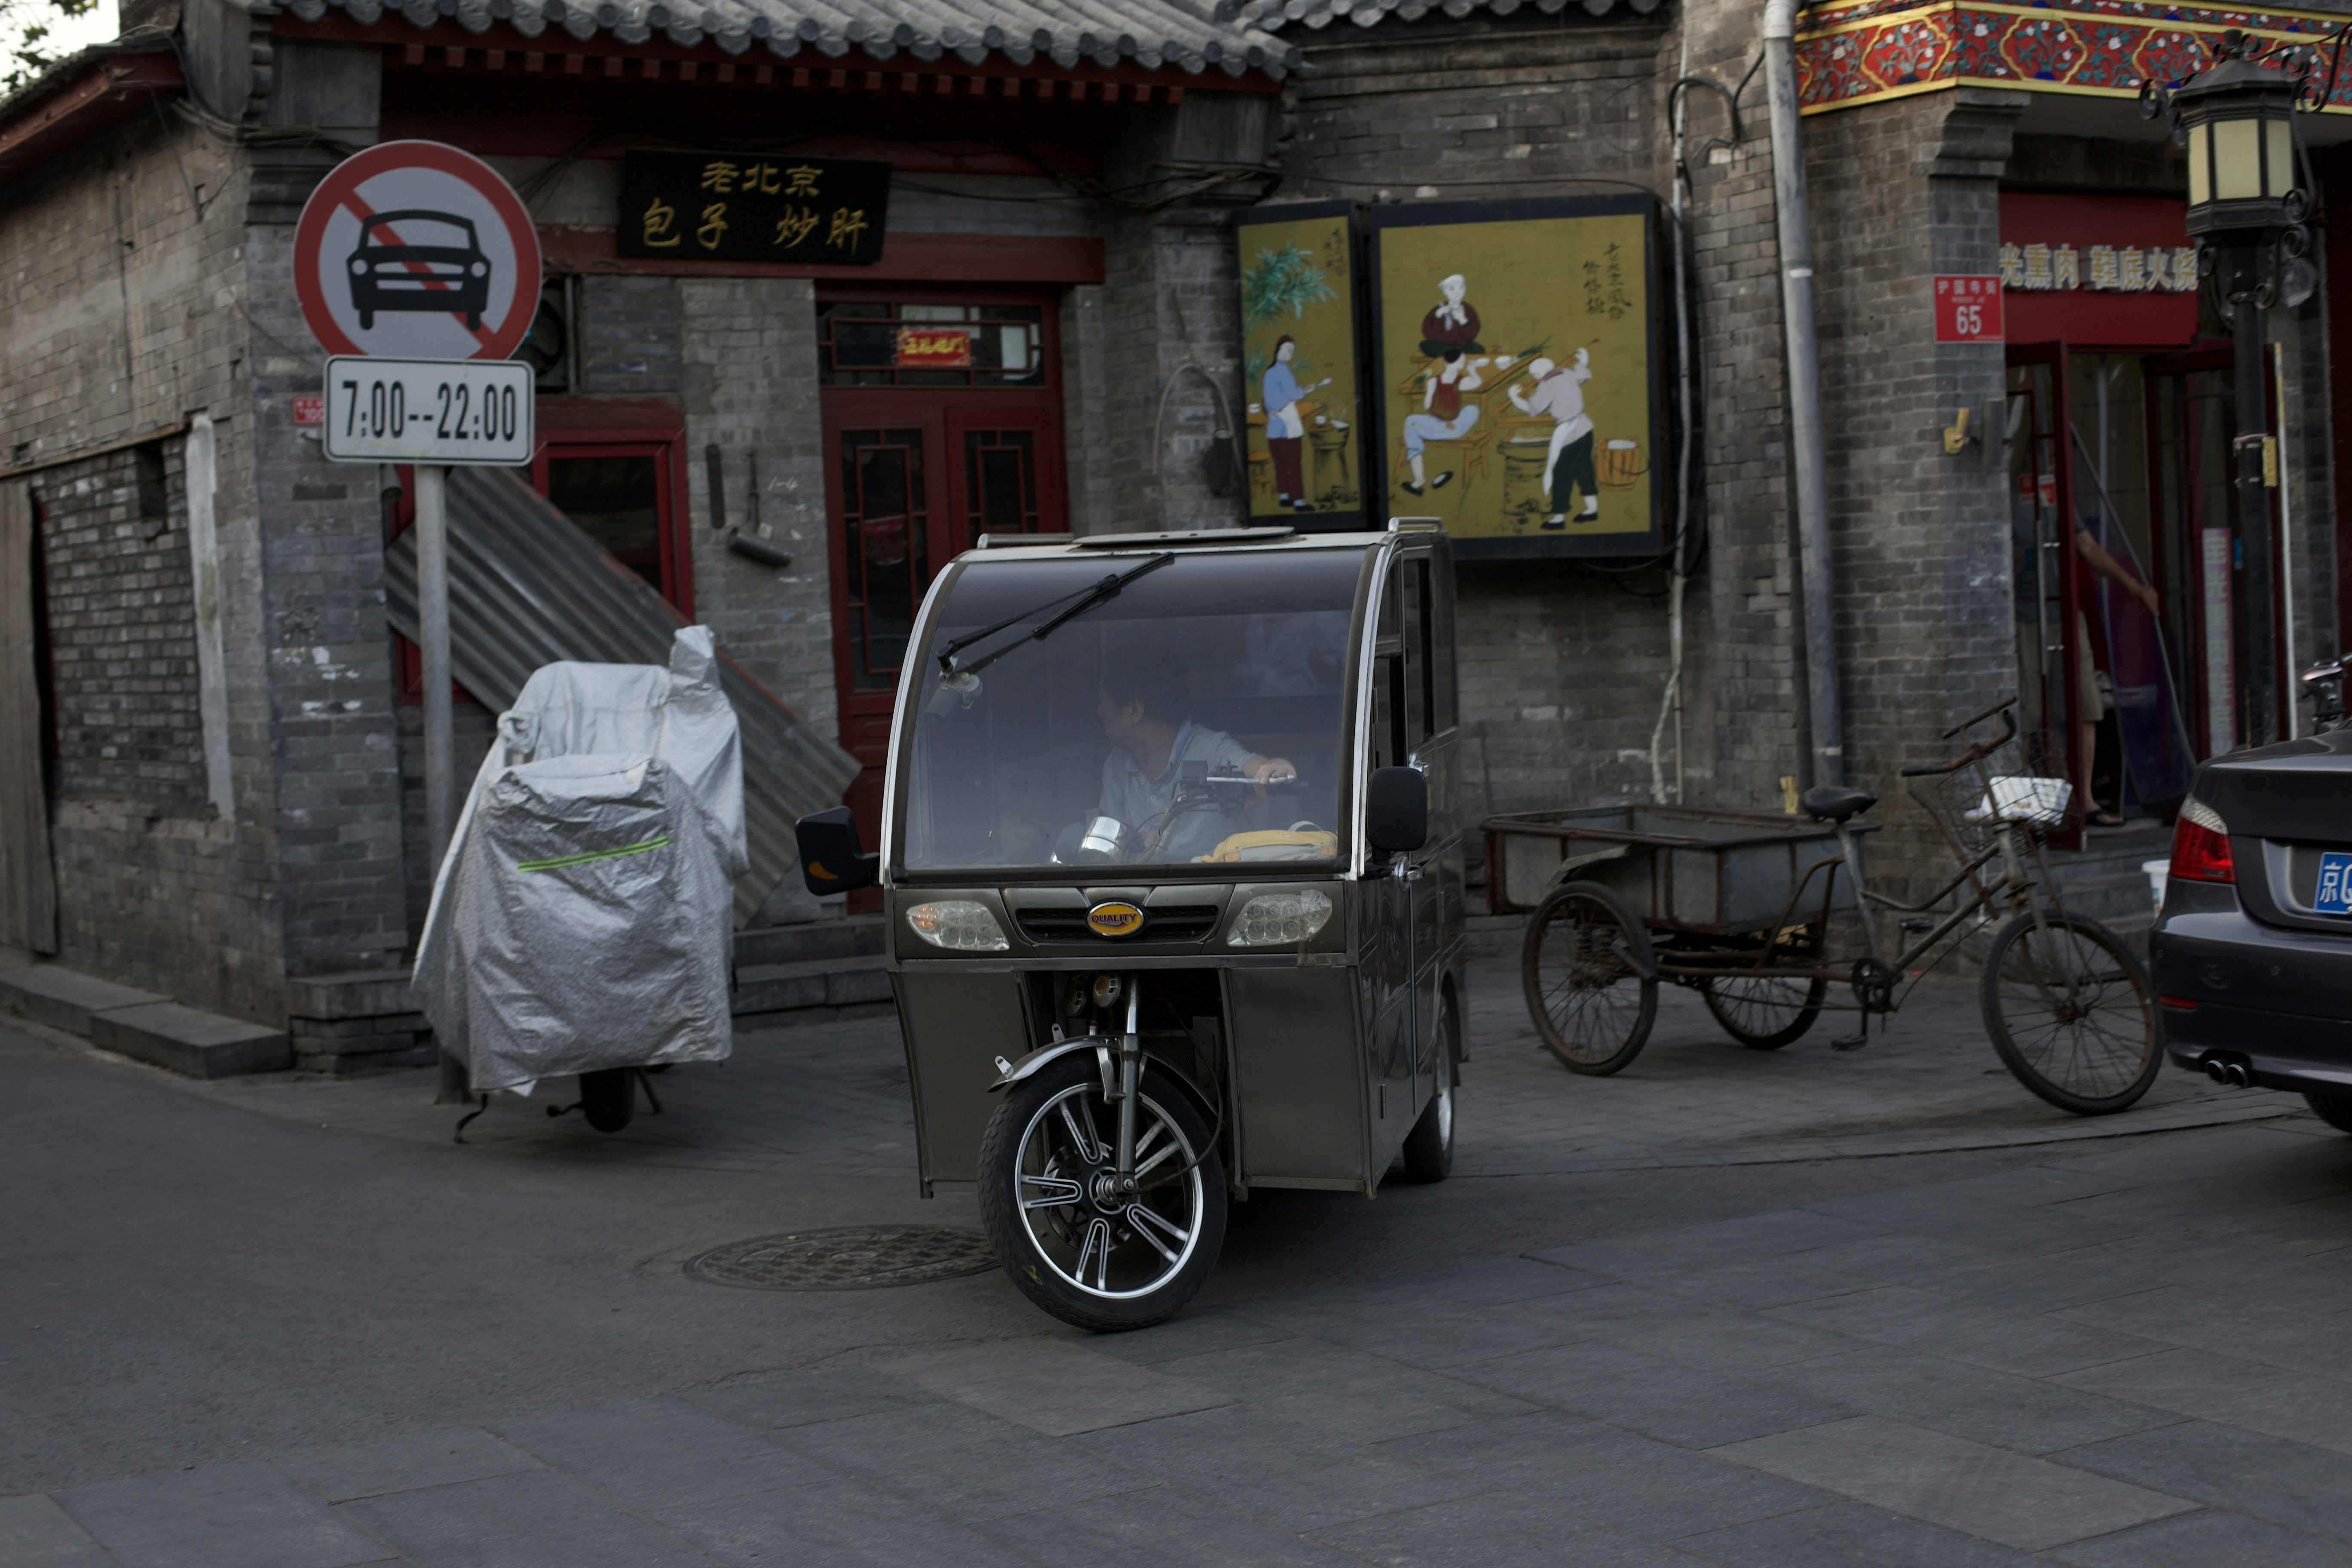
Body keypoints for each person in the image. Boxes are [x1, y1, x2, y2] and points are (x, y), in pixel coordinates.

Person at [1095, 648, 1295, 861]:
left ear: (1135, 710)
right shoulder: (1116, 765)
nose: (1099, 710)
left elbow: (1257, 768)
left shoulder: (1213, 749)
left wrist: (1274, 769)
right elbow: (1105, 856)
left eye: (1102, 700)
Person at [1509, 349, 1599, 527]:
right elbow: (1581, 375)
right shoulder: (1566, 372)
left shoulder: (1546, 384)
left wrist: (1513, 397)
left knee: (1561, 474)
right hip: (1585, 428)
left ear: (1536, 374)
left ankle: (1558, 518)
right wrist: (1583, 361)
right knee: (1584, 469)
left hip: (1571, 434)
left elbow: (1533, 408)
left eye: (1534, 375)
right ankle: (1592, 509)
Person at [1400, 348, 1485, 496]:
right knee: (1473, 409)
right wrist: (1473, 370)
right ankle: (1422, 478)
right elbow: (1477, 382)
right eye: (1463, 360)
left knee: (1410, 422)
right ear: (1460, 363)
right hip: (1455, 428)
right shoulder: (1461, 381)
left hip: (1435, 426)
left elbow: (1427, 405)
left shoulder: (1433, 381)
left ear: (1445, 362)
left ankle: (1419, 480)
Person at [1260, 337, 1330, 512]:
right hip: (1287, 428)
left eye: (1292, 350)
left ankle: (1284, 497)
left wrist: (1299, 391)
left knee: (1281, 465)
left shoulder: (1269, 372)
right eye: (1288, 349)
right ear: (1279, 350)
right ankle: (1298, 501)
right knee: (1293, 465)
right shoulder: (1282, 370)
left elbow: (1270, 400)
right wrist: (1303, 391)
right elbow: (1294, 394)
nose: (1290, 353)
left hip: (1273, 429)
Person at [1419, 274, 1482, 357]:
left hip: (1463, 345)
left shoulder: (1468, 310)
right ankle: (1452, 354)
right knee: (1426, 345)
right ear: (1445, 291)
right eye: (1452, 289)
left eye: (1461, 288)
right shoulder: (1439, 309)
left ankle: (1455, 354)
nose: (1458, 292)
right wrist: (1437, 317)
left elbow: (1472, 334)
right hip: (1442, 346)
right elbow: (1429, 333)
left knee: (1478, 350)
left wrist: (1463, 320)